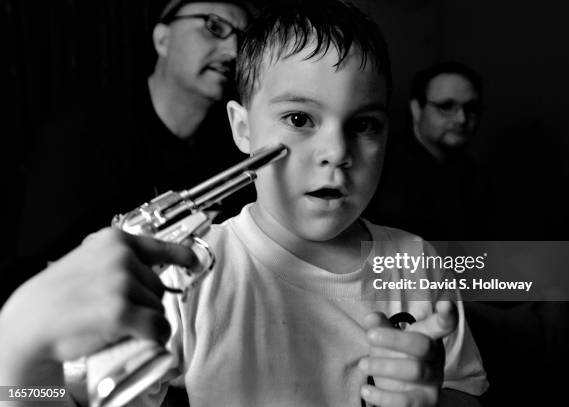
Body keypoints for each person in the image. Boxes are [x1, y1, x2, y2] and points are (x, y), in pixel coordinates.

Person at [1, 1, 488, 406]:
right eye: (299, 118)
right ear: (241, 128)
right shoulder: (188, 275)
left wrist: (433, 397)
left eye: (363, 125)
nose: (337, 153)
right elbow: (48, 395)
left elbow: (469, 393)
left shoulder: (417, 262)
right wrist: (17, 341)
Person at [7, 0, 252, 302]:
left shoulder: (232, 147)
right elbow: (38, 272)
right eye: (214, 27)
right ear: (162, 39)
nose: (233, 52)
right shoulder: (84, 134)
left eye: (243, 38)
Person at [367, 62, 492, 241]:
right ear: (416, 109)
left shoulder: (477, 177)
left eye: (471, 108)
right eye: (446, 106)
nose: (462, 119)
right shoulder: (380, 172)